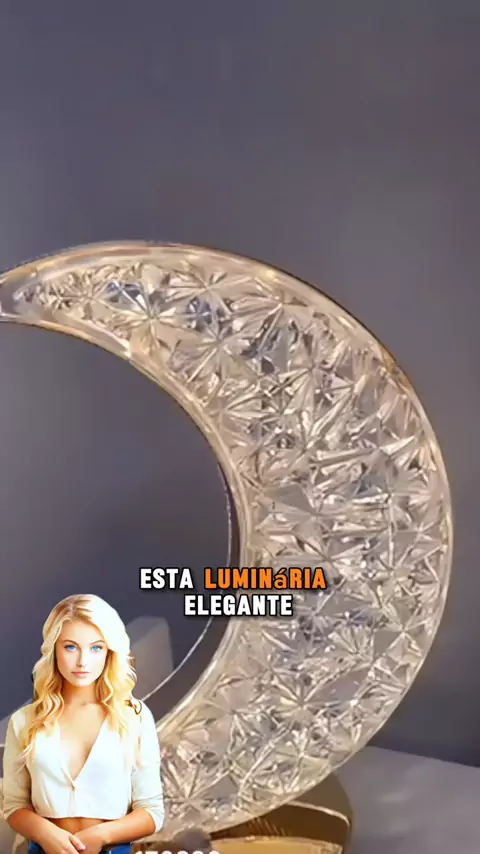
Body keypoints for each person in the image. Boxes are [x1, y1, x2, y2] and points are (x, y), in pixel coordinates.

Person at [2, 594, 165, 854]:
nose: (82, 661)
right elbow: (13, 806)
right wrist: (45, 833)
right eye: (70, 647)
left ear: (109, 652)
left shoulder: (134, 716)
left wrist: (100, 835)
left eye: (96, 648)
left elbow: (152, 812)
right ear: (54, 649)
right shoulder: (24, 722)